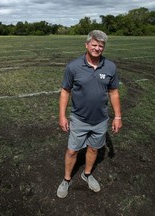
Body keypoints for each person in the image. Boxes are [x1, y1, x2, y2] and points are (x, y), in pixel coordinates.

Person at [57, 30, 122, 198]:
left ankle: (86, 174)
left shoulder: (110, 67)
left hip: (100, 120)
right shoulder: (73, 66)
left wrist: (118, 116)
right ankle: (66, 179)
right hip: (79, 119)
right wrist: (62, 116)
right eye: (94, 44)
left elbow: (114, 92)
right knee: (72, 151)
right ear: (86, 45)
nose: (97, 48)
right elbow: (65, 91)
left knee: (93, 149)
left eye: (101, 45)